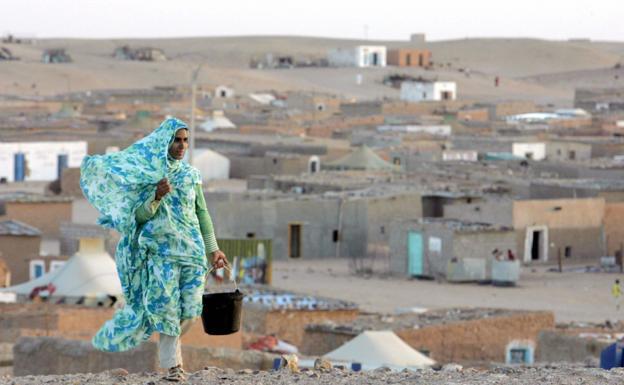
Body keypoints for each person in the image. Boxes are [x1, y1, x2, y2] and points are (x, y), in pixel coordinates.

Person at [80, 118, 227, 382]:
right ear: (164, 142)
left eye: (185, 140)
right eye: (176, 140)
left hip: (192, 252)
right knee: (167, 308)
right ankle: (174, 367)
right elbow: (136, 217)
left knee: (191, 310)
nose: (181, 145)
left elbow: (202, 213)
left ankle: (169, 347)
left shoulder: (191, 175)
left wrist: (213, 249)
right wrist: (156, 196)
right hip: (161, 253)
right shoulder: (149, 177)